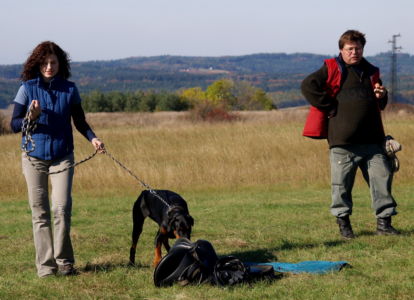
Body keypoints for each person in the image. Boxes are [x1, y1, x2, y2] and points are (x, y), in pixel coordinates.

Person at [10, 41, 105, 277]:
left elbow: (79, 121)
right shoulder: (26, 88)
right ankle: (46, 268)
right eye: (44, 63)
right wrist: (30, 117)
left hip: (62, 157)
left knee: (61, 208)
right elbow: (13, 125)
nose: (49, 67)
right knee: (39, 213)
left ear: (60, 63)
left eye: (53, 62)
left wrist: (93, 138)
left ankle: (65, 263)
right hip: (33, 158)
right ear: (37, 64)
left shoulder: (70, 89)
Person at [301, 30, 400, 239]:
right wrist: (330, 106)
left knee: (382, 181)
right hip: (342, 143)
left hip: (374, 143)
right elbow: (308, 86)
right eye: (350, 49)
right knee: (341, 187)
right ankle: (344, 227)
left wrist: (383, 96)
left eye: (358, 48)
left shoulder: (372, 71)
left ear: (362, 49)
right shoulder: (331, 68)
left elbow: (379, 102)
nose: (354, 52)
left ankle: (384, 225)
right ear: (341, 50)